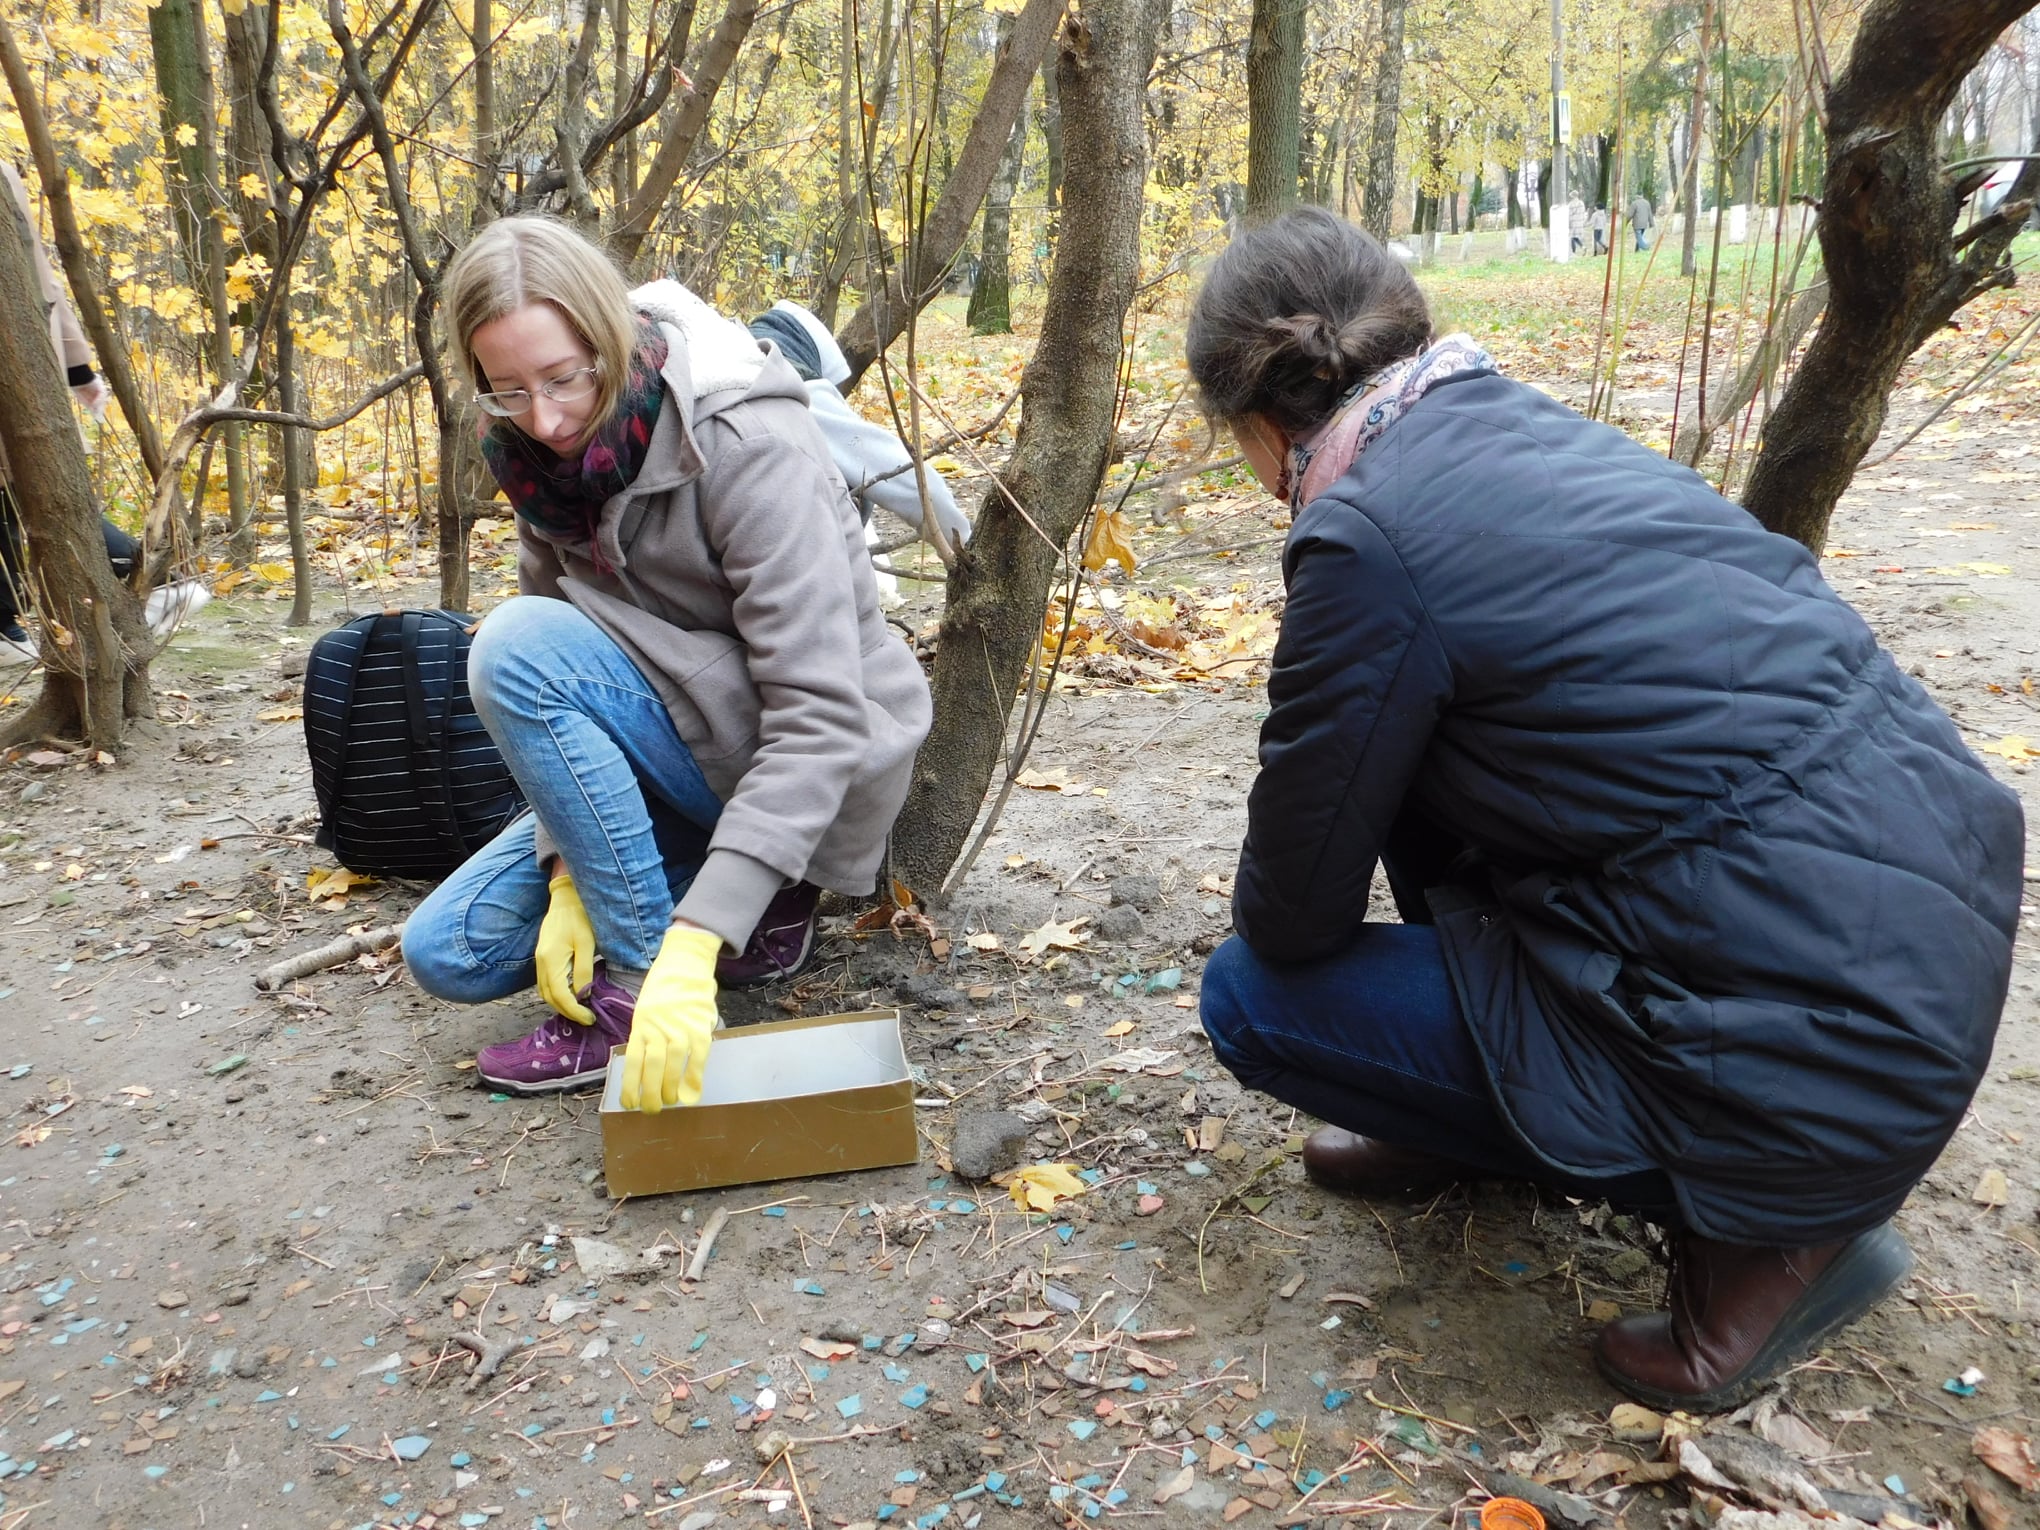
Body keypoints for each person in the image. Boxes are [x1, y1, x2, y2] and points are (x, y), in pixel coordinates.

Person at [1185, 208, 2021, 1413]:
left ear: (1261, 427)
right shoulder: (1523, 429)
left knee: (1252, 999)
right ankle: (1475, 1126)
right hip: (1912, 966)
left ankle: (1776, 1242)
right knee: (1426, 753)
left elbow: (1292, 917)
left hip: (1816, 1063)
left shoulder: (1365, 537)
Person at [401, 216, 932, 1111]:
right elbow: (561, 701)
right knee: (450, 950)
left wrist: (683, 952)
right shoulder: (536, 462)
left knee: (513, 644)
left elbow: (820, 715)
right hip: (664, 747)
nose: (545, 418)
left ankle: (649, 977)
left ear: (610, 340)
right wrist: (563, 869)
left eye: (565, 378)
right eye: (508, 391)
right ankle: (735, 915)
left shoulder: (747, 445)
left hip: (791, 753)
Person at [0, 161, 144, 668]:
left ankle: (130, 566)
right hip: (21, 365)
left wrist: (77, 367)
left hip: (16, 368)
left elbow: (33, 273)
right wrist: (77, 368)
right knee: (21, 493)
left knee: (30, 489)